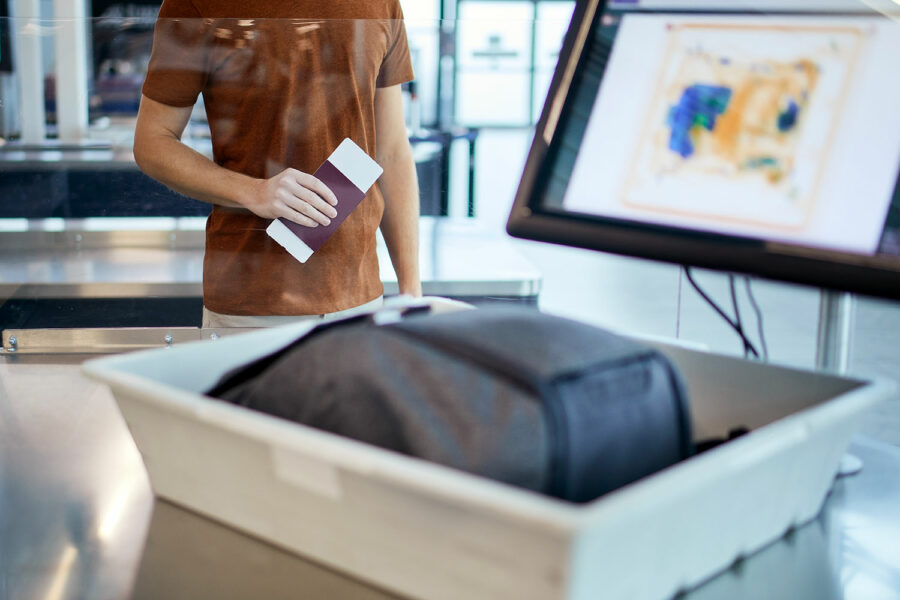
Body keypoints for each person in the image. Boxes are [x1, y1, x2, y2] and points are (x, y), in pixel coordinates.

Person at [133, 0, 422, 327]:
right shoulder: (195, 4)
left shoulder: (382, 3)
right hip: (251, 304)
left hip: (362, 300)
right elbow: (152, 141)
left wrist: (411, 291)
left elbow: (392, 150)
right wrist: (253, 192)